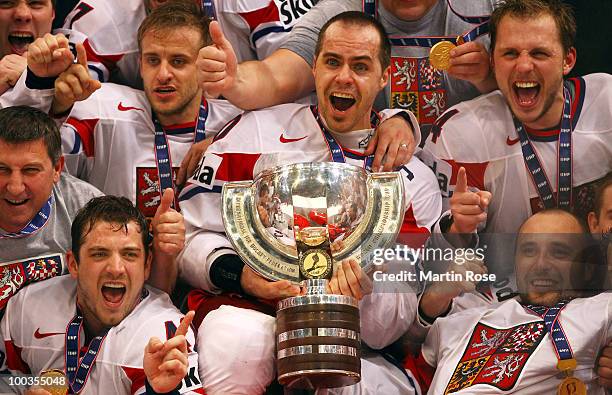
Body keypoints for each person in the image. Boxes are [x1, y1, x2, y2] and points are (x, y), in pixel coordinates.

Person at [178, 11, 442, 394]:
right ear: (314, 68)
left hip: (358, 347)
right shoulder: (254, 133)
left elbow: (389, 328)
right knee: (236, 340)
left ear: (384, 77)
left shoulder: (410, 181)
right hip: (253, 314)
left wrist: (362, 296)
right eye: (332, 62)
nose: (344, 77)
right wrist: (241, 275)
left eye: (361, 66)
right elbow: (190, 234)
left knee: (347, 378)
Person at [197, 0, 499, 165]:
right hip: (379, 173)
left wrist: (490, 77)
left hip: (475, 168)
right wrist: (234, 80)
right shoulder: (339, 14)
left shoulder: (490, 9)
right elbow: (275, 77)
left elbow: (538, 92)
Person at [420, 0, 612, 237]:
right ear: (492, 61)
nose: (523, 66)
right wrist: (456, 231)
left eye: (539, 53)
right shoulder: (459, 133)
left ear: (568, 60)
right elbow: (434, 260)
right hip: (504, 275)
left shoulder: (607, 103)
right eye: (510, 53)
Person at [53, 2, 242, 219]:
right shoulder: (99, 113)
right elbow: (40, 168)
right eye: (153, 60)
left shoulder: (237, 125)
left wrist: (225, 139)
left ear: (204, 66)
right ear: (140, 64)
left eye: (178, 61)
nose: (163, 74)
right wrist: (56, 104)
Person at [0, 195, 204, 394]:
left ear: (147, 265)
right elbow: (9, 378)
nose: (116, 269)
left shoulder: (163, 334)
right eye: (99, 254)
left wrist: (157, 392)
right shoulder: (27, 306)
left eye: (129, 254)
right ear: (73, 264)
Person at [417, 209, 609, 393]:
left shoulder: (599, 310)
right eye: (529, 250)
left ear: (587, 268)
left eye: (559, 252)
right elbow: (408, 376)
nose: (540, 264)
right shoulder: (459, 321)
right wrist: (438, 293)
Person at [0, 106, 101, 314]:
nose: (15, 187)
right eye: (2, 170)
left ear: (57, 169)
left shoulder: (87, 208)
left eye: (30, 170)